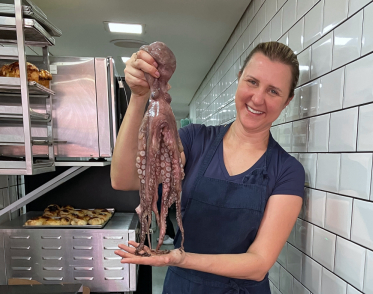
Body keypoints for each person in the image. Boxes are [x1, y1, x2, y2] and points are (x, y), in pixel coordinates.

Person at [111, 41, 305, 294]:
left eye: (273, 91)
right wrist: (138, 98)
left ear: (287, 100)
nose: (258, 98)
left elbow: (258, 263)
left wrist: (181, 258)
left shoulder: (287, 170)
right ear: (239, 79)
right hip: (182, 288)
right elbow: (125, 179)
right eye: (252, 82)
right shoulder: (194, 141)